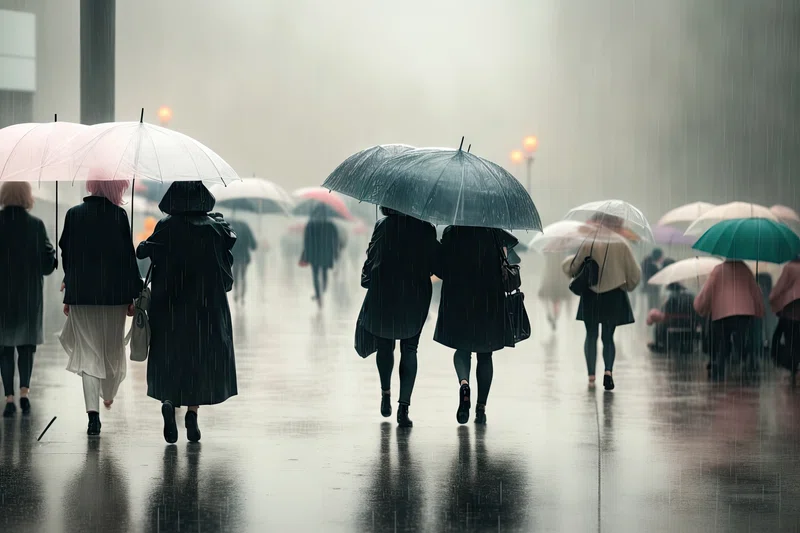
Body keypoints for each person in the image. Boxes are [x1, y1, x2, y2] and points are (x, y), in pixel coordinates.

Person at [136, 181, 238, 444]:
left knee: (172, 356)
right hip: (206, 309)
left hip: (169, 307)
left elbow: (146, 254)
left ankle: (170, 400)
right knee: (199, 359)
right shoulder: (216, 230)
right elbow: (226, 276)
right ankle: (192, 412)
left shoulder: (165, 227)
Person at [59, 177, 142, 436]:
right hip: (114, 297)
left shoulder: (74, 215)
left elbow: (68, 254)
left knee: (88, 353)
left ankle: (92, 416)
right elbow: (127, 257)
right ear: (116, 188)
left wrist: (69, 291)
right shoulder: (118, 216)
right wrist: (133, 295)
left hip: (82, 295)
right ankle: (108, 393)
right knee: (111, 348)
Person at [356, 207, 439, 427]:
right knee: (409, 349)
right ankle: (404, 408)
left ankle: (385, 393)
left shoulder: (383, 226)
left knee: (385, 344)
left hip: (384, 294)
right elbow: (437, 266)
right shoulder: (425, 229)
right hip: (415, 295)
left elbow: (371, 257)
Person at [434, 226, 518, 425]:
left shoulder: (452, 232)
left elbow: (441, 267)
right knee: (485, 353)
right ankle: (481, 408)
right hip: (489, 298)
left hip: (459, 298)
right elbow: (506, 264)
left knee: (462, 348)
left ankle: (464, 385)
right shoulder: (496, 233)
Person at [0, 182, 57, 417]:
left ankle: (9, 398)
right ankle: (24, 392)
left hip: (2, 295)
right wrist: (52, 256)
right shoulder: (36, 226)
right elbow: (46, 267)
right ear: (27, 196)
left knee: (4, 347)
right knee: (26, 346)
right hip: (28, 295)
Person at [563, 232, 641, 390]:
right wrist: (626, 285)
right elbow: (635, 274)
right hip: (614, 295)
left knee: (591, 335)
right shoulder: (622, 243)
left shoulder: (589, 241)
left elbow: (573, 267)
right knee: (608, 337)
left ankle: (591, 376)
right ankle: (608, 372)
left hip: (591, 295)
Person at [694, 259, 764, 379]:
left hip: (721, 312)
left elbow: (707, 292)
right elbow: (755, 292)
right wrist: (759, 310)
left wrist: (700, 307)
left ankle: (719, 367)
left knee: (721, 341)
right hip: (744, 313)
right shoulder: (745, 269)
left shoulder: (718, 270)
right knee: (743, 339)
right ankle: (746, 362)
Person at [300, 204, 341, 308]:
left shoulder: (310, 224)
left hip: (313, 254)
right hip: (326, 254)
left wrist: (306, 253)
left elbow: (306, 240)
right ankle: (322, 291)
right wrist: (336, 254)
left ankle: (318, 295)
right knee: (324, 273)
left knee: (315, 274)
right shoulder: (330, 224)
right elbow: (336, 241)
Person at [769, 256, 800, 378]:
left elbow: (779, 289)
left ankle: (791, 365)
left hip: (791, 311)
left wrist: (772, 300)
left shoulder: (789, 268)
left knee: (789, 339)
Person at [646, 282, 698, 353]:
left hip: (672, 325)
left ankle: (660, 344)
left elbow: (665, 313)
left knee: (659, 325)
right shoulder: (691, 296)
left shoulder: (671, 297)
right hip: (690, 325)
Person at [538, 253, 574, 330]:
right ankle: (554, 316)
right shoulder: (561, 252)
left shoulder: (550, 253)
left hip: (552, 277)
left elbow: (547, 266)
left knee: (549, 298)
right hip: (558, 278)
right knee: (556, 300)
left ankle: (551, 315)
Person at [228, 218, 257, 304]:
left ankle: (236, 293)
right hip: (244, 257)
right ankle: (242, 296)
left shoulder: (232, 229)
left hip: (235, 256)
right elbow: (253, 245)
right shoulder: (246, 228)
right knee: (243, 277)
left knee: (236, 276)